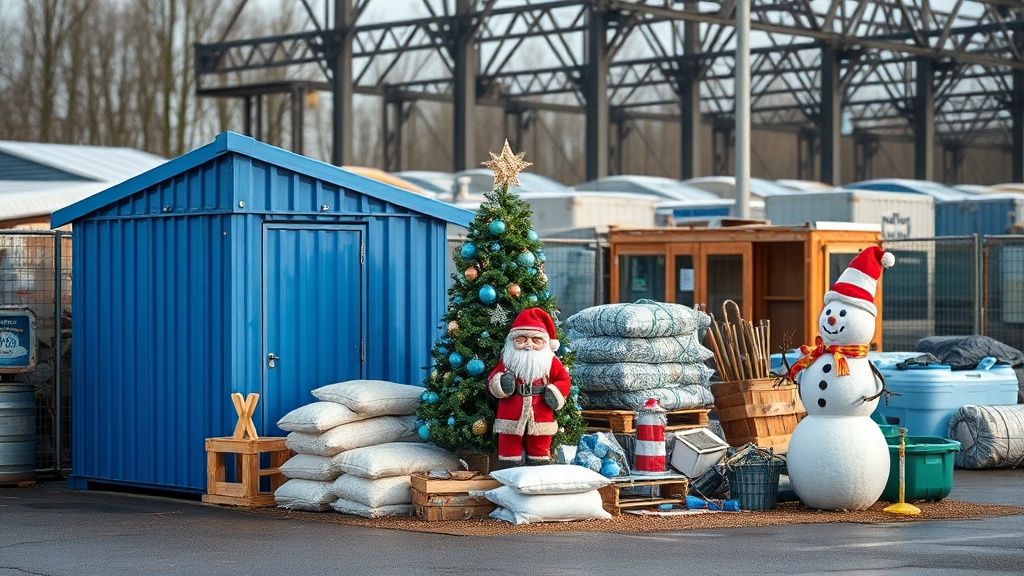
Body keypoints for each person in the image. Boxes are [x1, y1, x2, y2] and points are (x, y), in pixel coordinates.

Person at [487, 307, 571, 465]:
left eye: (536, 340)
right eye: (521, 339)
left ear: (545, 343)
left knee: (539, 449)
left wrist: (555, 393)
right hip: (510, 414)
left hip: (541, 413)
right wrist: (499, 383)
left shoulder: (550, 362)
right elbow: (492, 378)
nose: (528, 345)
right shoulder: (508, 360)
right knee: (508, 447)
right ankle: (509, 474)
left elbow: (564, 379)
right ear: (513, 340)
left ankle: (537, 477)